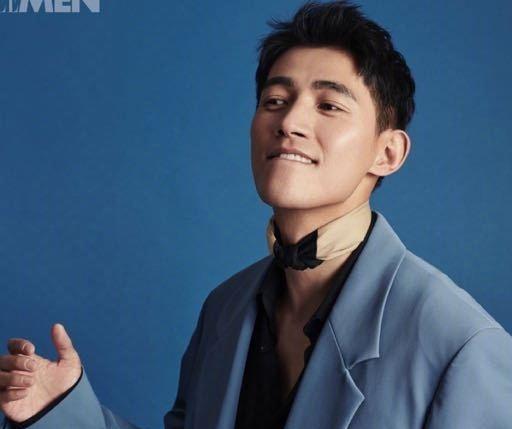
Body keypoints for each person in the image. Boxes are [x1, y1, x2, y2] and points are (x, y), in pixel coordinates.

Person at [2, 1, 512, 428]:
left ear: (388, 153)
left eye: (328, 106)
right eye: (275, 99)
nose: (290, 121)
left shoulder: (463, 346)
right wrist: (60, 408)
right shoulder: (224, 309)